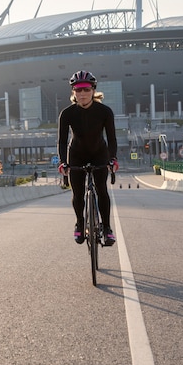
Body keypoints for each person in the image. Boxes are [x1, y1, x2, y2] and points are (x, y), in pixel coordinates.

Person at [57, 70, 119, 246]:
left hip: (99, 153)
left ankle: (107, 228)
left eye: (86, 89)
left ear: (93, 90)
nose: (82, 93)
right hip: (76, 154)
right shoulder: (67, 113)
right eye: (78, 90)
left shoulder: (105, 111)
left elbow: (112, 138)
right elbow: (62, 141)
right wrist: (63, 162)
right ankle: (80, 222)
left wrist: (112, 159)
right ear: (73, 92)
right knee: (77, 194)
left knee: (101, 190)